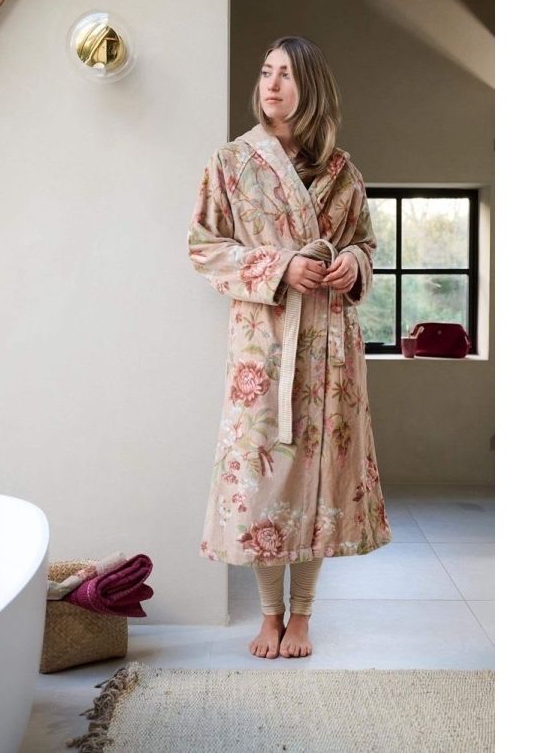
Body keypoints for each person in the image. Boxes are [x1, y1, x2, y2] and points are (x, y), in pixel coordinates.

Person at [187, 35, 393, 660]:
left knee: (316, 481)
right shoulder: (231, 162)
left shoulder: (342, 171)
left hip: (330, 346)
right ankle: (268, 615)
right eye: (266, 72)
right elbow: (205, 248)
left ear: (311, 88)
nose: (271, 85)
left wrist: (352, 264)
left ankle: (301, 616)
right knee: (262, 481)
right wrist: (281, 266)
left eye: (286, 75)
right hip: (265, 349)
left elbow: (365, 243)